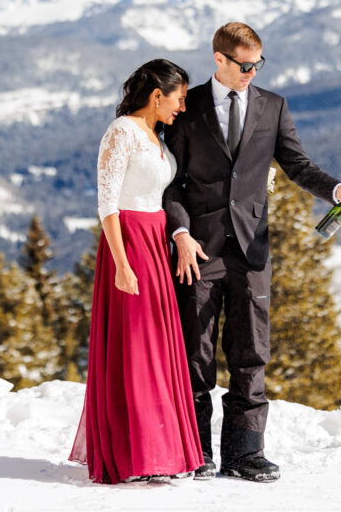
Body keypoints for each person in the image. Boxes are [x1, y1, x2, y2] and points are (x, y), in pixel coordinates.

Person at [163, 22, 341, 483]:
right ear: (219, 59)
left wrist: (336, 189)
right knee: (195, 354)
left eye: (259, 63)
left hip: (253, 249)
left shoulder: (273, 106)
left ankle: (245, 453)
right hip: (198, 248)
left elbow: (296, 163)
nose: (252, 72)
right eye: (244, 64)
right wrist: (179, 234)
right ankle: (194, 450)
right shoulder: (187, 107)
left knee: (251, 352)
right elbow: (169, 182)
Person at [70, 59, 204, 484]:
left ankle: (159, 452)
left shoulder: (155, 135)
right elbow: (107, 204)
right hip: (128, 242)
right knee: (133, 348)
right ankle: (132, 455)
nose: (182, 107)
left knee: (157, 348)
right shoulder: (121, 132)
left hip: (155, 241)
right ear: (157, 94)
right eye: (179, 98)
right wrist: (122, 265)